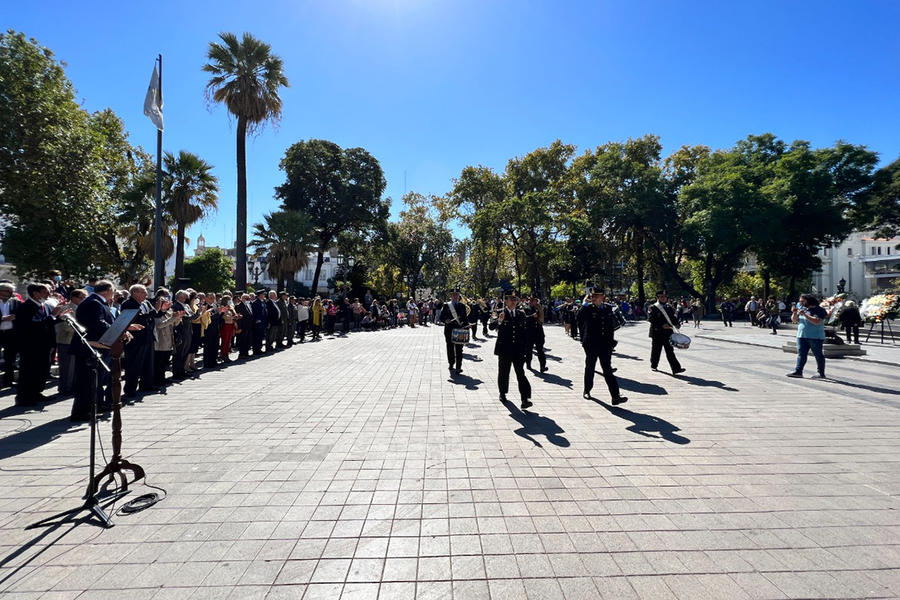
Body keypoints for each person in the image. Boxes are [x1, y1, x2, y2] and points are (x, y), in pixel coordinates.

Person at [70, 280, 117, 421]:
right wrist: (116, 331)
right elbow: (98, 323)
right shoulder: (93, 302)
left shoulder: (97, 301)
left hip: (97, 346)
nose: (114, 293)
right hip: (89, 347)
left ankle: (93, 407)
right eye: (113, 290)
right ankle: (82, 412)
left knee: (95, 380)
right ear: (108, 290)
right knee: (87, 381)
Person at [14, 283, 60, 406]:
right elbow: (33, 325)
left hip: (44, 344)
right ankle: (25, 397)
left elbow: (49, 322)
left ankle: (36, 392)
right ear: (35, 293)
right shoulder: (26, 307)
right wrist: (52, 316)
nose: (49, 294)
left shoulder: (44, 306)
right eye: (45, 292)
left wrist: (59, 316)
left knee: (41, 370)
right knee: (29, 371)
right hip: (31, 345)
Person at [578, 289, 627, 405]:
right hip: (591, 344)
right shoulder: (588, 308)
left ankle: (615, 396)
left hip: (605, 344)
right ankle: (587, 389)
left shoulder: (608, 308)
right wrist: (584, 303)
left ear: (602, 297)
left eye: (597, 296)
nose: (595, 297)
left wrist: (611, 342)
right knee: (590, 367)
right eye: (593, 296)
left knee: (607, 370)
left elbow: (613, 325)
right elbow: (579, 318)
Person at [490, 290, 532, 409]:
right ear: (505, 301)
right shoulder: (499, 312)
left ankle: (525, 398)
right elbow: (491, 326)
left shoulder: (521, 313)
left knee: (521, 373)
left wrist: (526, 350)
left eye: (515, 299)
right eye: (511, 299)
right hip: (504, 349)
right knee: (504, 372)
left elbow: (524, 333)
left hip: (518, 349)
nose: (514, 302)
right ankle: (503, 393)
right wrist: (499, 321)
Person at [121, 284, 158, 397]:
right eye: (143, 292)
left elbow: (154, 314)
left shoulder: (146, 303)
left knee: (148, 362)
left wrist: (160, 309)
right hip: (135, 339)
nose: (146, 294)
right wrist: (152, 312)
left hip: (147, 336)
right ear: (135, 293)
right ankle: (130, 389)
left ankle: (146, 384)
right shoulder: (128, 304)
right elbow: (137, 318)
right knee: (134, 364)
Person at [787, 294, 828, 379]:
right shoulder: (803, 309)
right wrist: (794, 313)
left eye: (802, 301)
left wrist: (805, 314)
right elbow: (795, 320)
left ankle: (821, 373)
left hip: (815, 337)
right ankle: (798, 371)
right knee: (801, 354)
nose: (800, 303)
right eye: (800, 301)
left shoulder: (819, 310)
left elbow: (816, 321)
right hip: (802, 335)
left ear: (809, 300)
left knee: (818, 355)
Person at [55, 288, 87, 395]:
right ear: (73, 297)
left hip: (77, 341)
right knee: (67, 367)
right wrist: (83, 328)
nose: (83, 299)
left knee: (74, 367)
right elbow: (65, 326)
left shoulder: (81, 308)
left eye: (84, 297)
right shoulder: (66, 308)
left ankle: (72, 386)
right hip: (66, 340)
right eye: (81, 297)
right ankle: (65, 388)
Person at [648, 290, 685, 375]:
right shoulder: (653, 307)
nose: (663, 298)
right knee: (656, 350)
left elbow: (672, 318)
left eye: (665, 297)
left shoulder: (669, 307)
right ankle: (654, 365)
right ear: (658, 298)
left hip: (668, 332)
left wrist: (677, 324)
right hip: (657, 332)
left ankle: (676, 368)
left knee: (670, 351)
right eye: (661, 297)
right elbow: (651, 319)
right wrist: (661, 325)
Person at [439, 289, 469, 374]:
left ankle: (458, 367)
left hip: (459, 330)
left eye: (456, 294)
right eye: (453, 295)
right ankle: (451, 364)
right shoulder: (446, 305)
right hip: (449, 330)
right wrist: (445, 320)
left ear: (459, 296)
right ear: (451, 296)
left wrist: (467, 326)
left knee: (459, 349)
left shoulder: (462, 306)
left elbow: (465, 319)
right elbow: (441, 317)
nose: (455, 296)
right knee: (450, 348)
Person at [152, 289, 176, 386]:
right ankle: (158, 380)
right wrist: (173, 318)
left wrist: (177, 317)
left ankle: (162, 378)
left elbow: (174, 324)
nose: (168, 300)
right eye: (165, 298)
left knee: (165, 361)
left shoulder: (168, 311)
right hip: (160, 341)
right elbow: (159, 325)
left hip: (168, 340)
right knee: (159, 362)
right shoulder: (156, 312)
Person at [0, 282, 21, 390]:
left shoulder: (15, 302)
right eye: (7, 291)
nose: (9, 293)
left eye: (10, 291)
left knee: (10, 358)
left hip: (11, 333)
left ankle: (9, 380)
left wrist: (15, 317)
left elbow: (21, 315)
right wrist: (3, 319)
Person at [171, 290, 194, 377]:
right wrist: (189, 316)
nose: (186, 298)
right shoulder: (176, 305)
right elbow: (183, 318)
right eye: (184, 297)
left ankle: (182, 370)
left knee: (185, 351)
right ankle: (177, 372)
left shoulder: (187, 305)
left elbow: (192, 316)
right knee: (179, 353)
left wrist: (199, 312)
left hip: (188, 330)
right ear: (179, 297)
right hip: (181, 331)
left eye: (186, 297)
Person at [523, 296, 547, 372]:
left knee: (540, 349)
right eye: (532, 301)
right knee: (528, 350)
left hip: (538, 331)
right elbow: (524, 319)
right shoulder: (525, 308)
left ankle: (542, 366)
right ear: (530, 301)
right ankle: (528, 364)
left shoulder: (539, 308)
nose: (534, 302)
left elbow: (542, 319)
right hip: (529, 331)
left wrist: (540, 310)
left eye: (536, 301)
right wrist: (532, 316)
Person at [219, 294, 238, 362]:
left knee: (229, 341)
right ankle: (223, 355)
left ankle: (226, 354)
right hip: (225, 325)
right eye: (229, 299)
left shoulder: (230, 307)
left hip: (231, 325)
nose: (230, 300)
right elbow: (224, 316)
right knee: (225, 341)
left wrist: (236, 316)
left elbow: (233, 314)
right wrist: (232, 317)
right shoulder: (222, 307)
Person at [234, 293, 253, 358]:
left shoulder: (248, 305)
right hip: (242, 326)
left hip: (248, 326)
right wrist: (239, 327)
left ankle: (246, 352)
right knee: (242, 340)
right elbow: (238, 318)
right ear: (242, 299)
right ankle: (242, 353)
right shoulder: (238, 306)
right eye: (247, 298)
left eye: (249, 299)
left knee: (248, 340)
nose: (248, 300)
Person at [251, 290, 268, 354]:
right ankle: (256, 350)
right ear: (260, 295)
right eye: (263, 294)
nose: (264, 295)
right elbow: (255, 312)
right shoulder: (255, 302)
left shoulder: (263, 302)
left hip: (263, 322)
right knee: (257, 336)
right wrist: (258, 320)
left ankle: (259, 348)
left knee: (260, 336)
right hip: (258, 322)